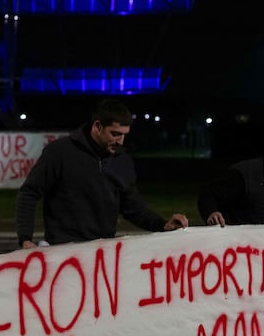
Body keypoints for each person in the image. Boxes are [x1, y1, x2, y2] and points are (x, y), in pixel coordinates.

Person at [15, 99, 188, 249]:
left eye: (124, 135)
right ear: (97, 126)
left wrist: (163, 224)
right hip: (62, 253)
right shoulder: (59, 152)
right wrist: (25, 239)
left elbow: (133, 208)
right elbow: (29, 193)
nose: (120, 141)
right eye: (115, 134)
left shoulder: (122, 160)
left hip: (101, 254)